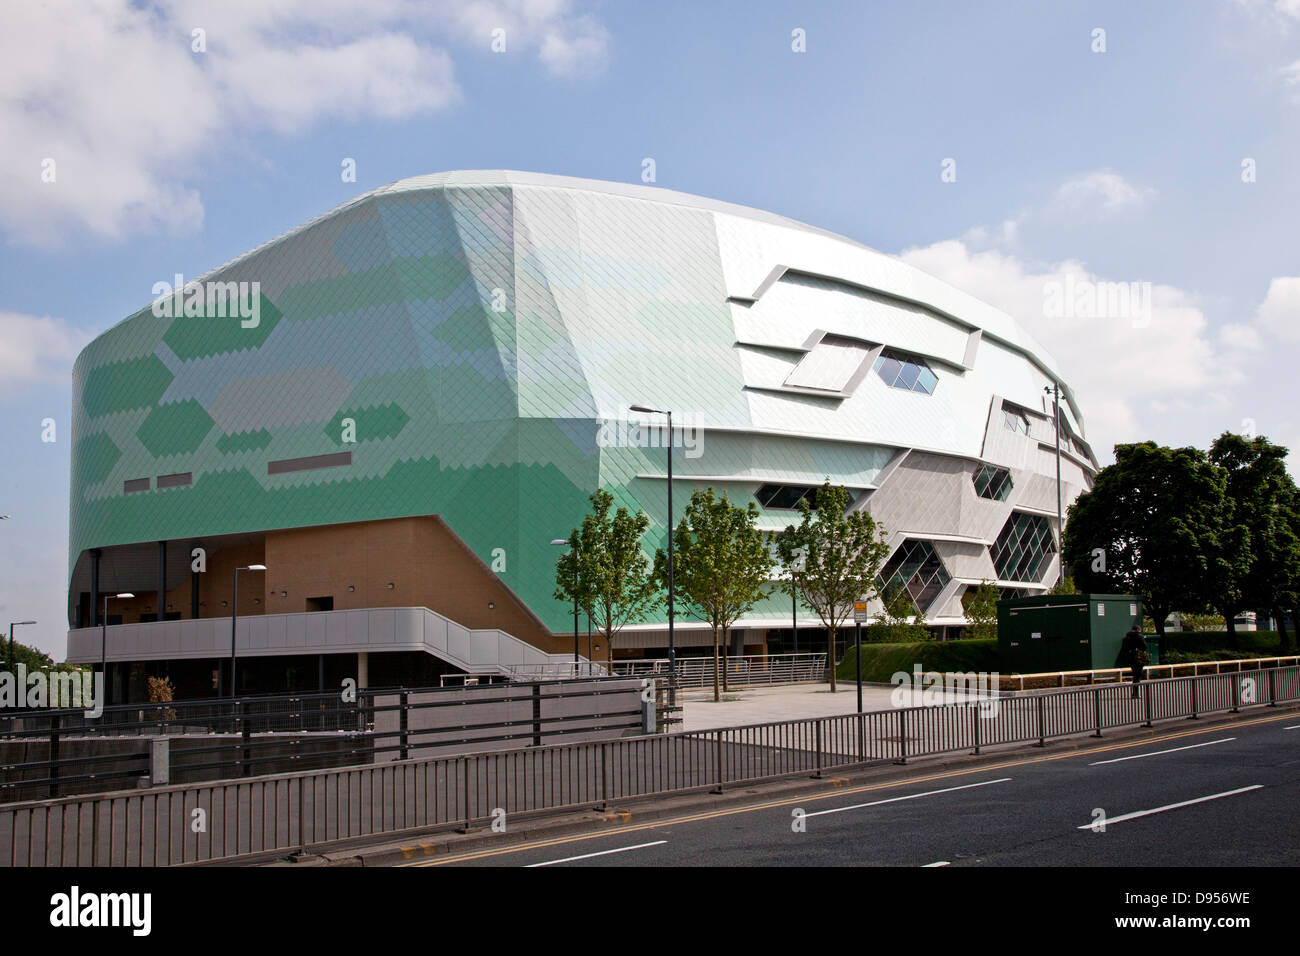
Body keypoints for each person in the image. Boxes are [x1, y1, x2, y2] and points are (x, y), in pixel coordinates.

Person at [1121, 624, 1149, 698]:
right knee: (1137, 675)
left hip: (1130, 658)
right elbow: (1145, 647)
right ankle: (1135, 693)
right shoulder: (1140, 637)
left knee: (1134, 675)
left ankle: (1135, 692)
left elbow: (1123, 648)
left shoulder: (1126, 638)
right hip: (1138, 658)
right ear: (1138, 630)